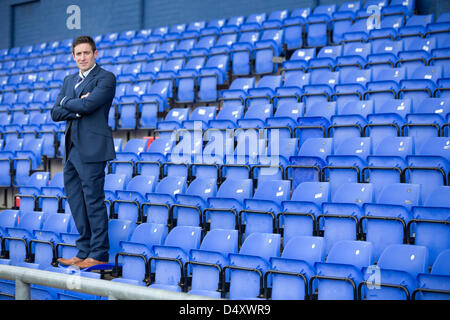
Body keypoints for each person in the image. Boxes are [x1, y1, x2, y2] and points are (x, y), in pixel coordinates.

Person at [51, 35, 116, 269]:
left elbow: (89, 105)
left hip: (93, 150)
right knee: (77, 202)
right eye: (78, 54)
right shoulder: (69, 80)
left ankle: (99, 253)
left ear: (95, 54)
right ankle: (83, 251)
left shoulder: (106, 78)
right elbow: (54, 113)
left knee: (93, 201)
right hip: (71, 151)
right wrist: (75, 103)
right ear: (73, 56)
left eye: (86, 53)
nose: (82, 57)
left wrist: (68, 103)